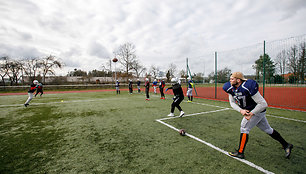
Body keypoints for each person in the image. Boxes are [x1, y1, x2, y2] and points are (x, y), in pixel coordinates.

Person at [223, 72, 293, 159]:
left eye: (232, 79)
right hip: (251, 111)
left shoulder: (247, 87)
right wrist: (241, 110)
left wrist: (251, 113)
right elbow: (232, 103)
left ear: (238, 80)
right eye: (230, 79)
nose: (230, 81)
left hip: (257, 111)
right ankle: (286, 145)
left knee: (244, 127)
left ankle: (240, 152)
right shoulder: (230, 88)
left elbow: (263, 104)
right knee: (268, 129)